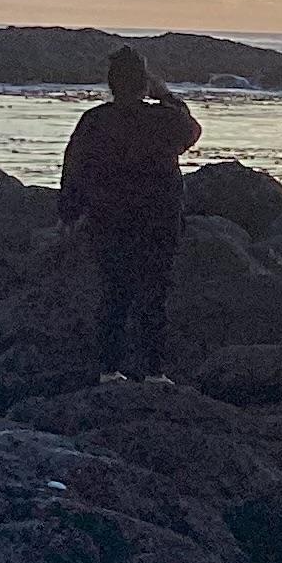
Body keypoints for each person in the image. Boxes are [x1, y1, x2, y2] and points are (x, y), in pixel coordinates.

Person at [58, 45, 199, 380]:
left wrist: (68, 213)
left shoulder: (95, 120)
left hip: (109, 218)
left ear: (111, 84)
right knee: (154, 295)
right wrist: (166, 96)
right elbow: (191, 131)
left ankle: (109, 370)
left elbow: (74, 169)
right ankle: (153, 372)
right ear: (144, 84)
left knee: (114, 294)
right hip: (158, 219)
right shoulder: (163, 119)